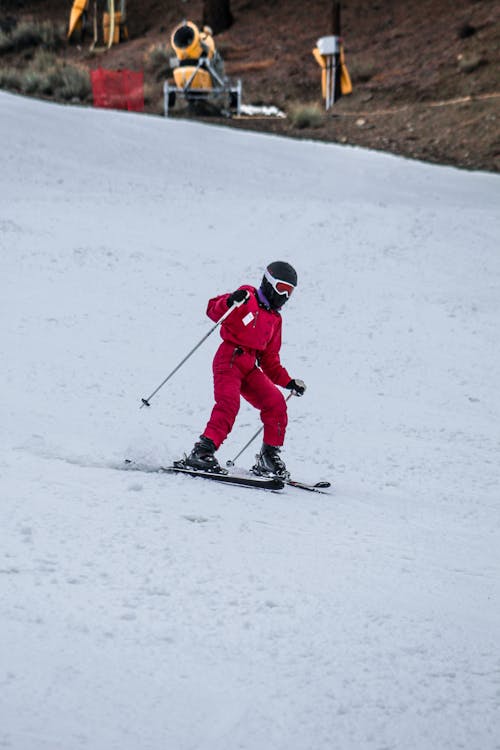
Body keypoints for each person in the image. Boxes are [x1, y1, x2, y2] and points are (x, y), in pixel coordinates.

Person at [184, 261, 306, 478]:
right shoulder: (247, 296)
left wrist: (288, 382)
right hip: (229, 359)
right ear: (268, 283)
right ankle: (202, 451)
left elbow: (270, 360)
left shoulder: (275, 320)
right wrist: (230, 300)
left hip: (250, 366)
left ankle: (268, 457)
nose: (285, 297)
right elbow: (213, 309)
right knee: (229, 404)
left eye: (290, 292)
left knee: (275, 403)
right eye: (282, 289)